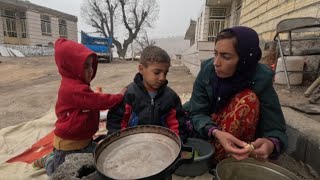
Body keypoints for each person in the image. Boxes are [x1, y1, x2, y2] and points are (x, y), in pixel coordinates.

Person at [184, 26, 288, 163]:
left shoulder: (260, 79)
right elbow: (197, 112)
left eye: (225, 57)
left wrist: (270, 144)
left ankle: (226, 157)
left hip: (234, 136)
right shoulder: (207, 71)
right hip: (206, 128)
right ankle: (210, 154)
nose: (216, 63)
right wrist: (215, 132)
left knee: (248, 100)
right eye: (215, 54)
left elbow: (275, 128)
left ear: (245, 59)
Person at [32, 38, 125, 175]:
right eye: (85, 66)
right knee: (62, 175)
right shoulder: (72, 89)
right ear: (71, 67)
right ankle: (49, 161)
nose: (91, 70)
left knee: (97, 164)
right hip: (68, 149)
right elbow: (97, 101)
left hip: (85, 143)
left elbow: (90, 100)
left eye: (91, 65)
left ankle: (55, 159)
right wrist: (119, 97)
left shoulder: (79, 87)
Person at [106, 45, 190, 140]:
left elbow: (177, 126)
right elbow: (116, 124)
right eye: (157, 72)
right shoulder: (129, 94)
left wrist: (177, 143)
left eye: (165, 73)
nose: (162, 78)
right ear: (141, 69)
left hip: (162, 145)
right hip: (132, 145)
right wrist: (121, 143)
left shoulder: (171, 97)